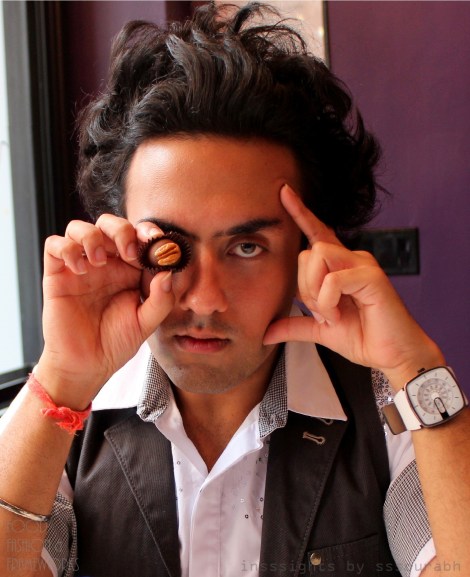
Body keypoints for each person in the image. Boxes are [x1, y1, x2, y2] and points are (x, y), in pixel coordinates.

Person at [0, 3, 469, 576]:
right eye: (167, 248)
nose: (204, 299)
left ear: (304, 250)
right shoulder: (59, 427)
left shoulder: (390, 411)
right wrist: (62, 379)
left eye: (246, 247)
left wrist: (417, 367)